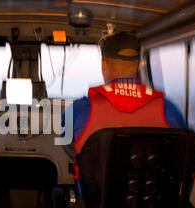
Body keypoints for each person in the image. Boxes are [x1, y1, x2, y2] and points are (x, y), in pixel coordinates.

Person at [65, 32, 186, 180]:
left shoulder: (80, 108)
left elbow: (66, 141)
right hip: (154, 200)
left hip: (96, 200)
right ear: (139, 65)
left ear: (103, 65)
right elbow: (181, 151)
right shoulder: (168, 109)